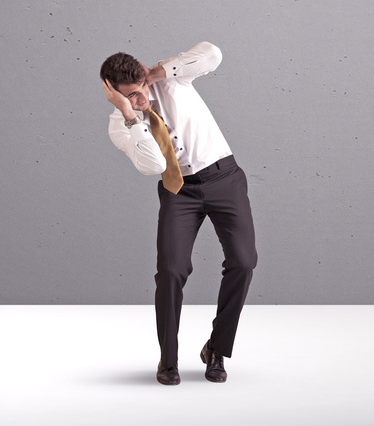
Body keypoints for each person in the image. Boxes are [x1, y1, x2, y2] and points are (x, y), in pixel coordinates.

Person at [100, 41, 257, 386]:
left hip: (224, 178)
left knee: (244, 262)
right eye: (127, 96)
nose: (139, 99)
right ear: (113, 95)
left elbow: (213, 54)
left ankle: (216, 350)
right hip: (178, 191)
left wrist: (159, 71)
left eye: (139, 89)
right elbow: (154, 165)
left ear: (143, 76)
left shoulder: (173, 81)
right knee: (170, 271)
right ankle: (167, 360)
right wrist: (131, 116)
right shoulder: (120, 125)